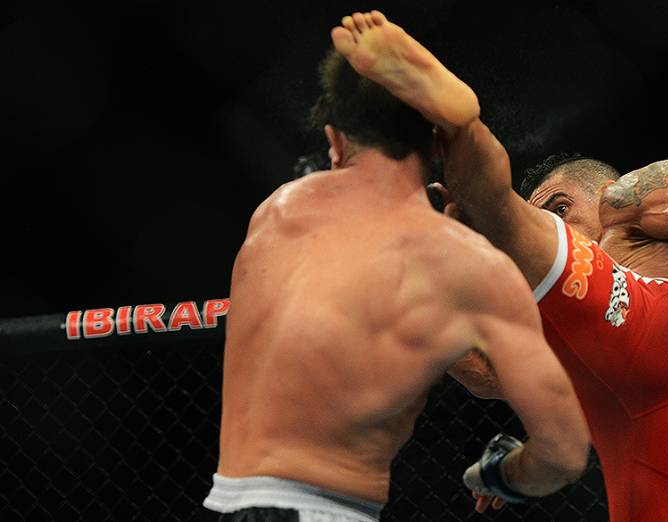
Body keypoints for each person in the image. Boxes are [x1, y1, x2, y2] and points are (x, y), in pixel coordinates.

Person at [339, 10, 668, 521]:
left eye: (560, 209)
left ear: (598, 192)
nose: (557, 228)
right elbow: (490, 379)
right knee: (541, 428)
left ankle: (456, 122)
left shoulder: (623, 205)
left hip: (654, 326)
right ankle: (499, 471)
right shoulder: (584, 328)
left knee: (498, 214)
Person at [201, 11, 590, 522]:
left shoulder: (273, 215)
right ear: (434, 145)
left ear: (335, 141)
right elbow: (564, 450)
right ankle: (463, 121)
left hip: (229, 500)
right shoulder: (459, 261)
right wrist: (498, 474)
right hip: (329, 510)